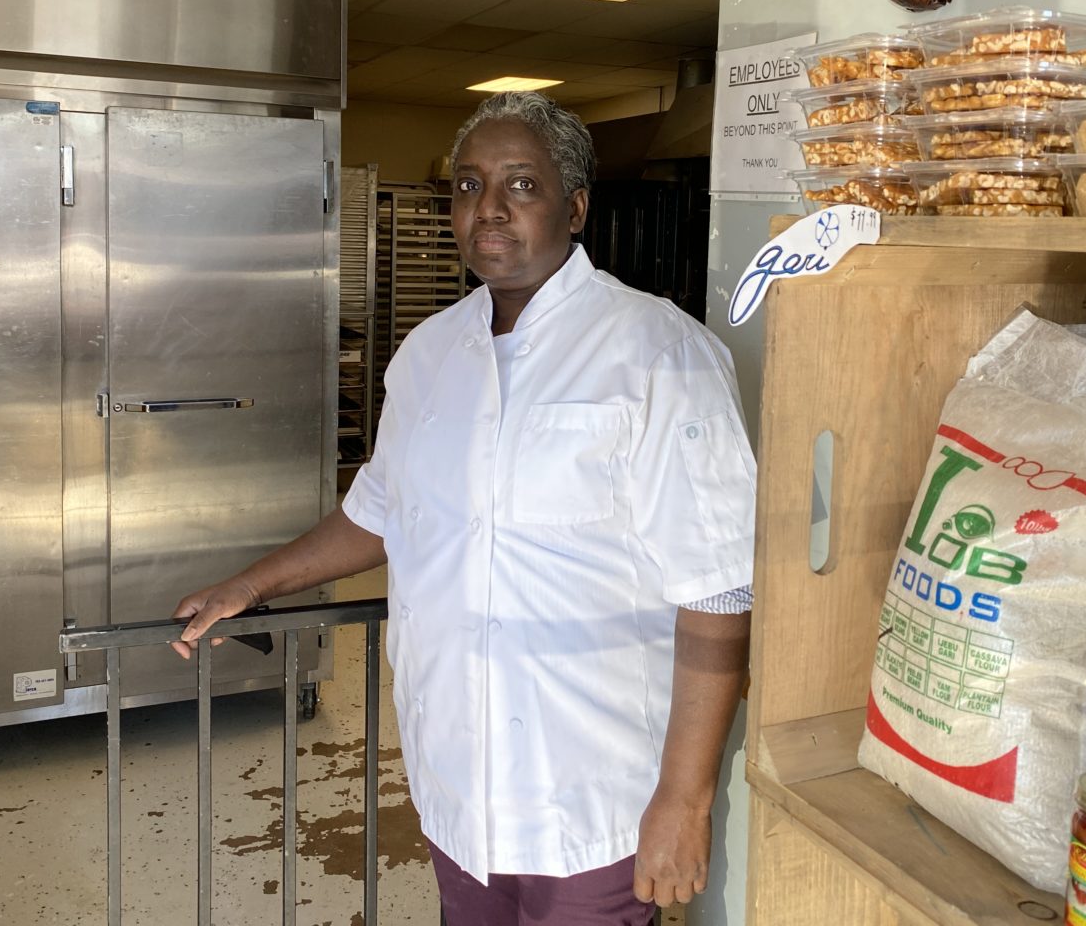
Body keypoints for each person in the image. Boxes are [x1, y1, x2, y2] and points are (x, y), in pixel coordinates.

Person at [171, 91, 756, 926]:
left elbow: (719, 591)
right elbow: (375, 513)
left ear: (575, 206)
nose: (489, 208)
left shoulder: (660, 355)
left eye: (522, 185)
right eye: (469, 185)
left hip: (593, 795)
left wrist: (684, 799)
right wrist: (251, 587)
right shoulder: (428, 354)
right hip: (458, 779)